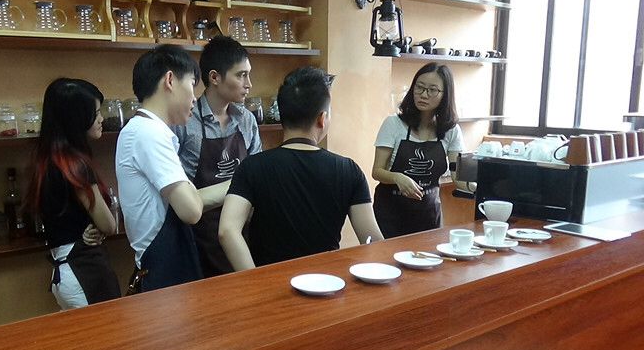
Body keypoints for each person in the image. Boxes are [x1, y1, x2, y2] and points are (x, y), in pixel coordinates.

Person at [218, 67, 383, 271]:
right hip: (327, 282)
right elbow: (371, 239)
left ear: (282, 116)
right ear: (322, 118)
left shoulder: (252, 167)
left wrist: (254, 280)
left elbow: (227, 230)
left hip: (270, 283)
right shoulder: (349, 170)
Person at [116, 45, 229, 292]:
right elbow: (191, 210)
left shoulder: (146, 131)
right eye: (192, 84)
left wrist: (241, 181)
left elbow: (192, 198)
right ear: (170, 80)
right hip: (163, 277)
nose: (194, 98)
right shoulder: (148, 133)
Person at [27, 78, 121, 309]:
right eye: (95, 113)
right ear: (76, 119)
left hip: (65, 271)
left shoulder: (48, 160)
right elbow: (109, 225)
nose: (101, 119)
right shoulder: (75, 165)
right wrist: (99, 226)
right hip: (82, 270)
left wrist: (92, 227)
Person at [173, 36, 262, 277]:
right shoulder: (185, 122)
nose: (249, 84)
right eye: (241, 75)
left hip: (241, 233)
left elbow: (258, 177)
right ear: (214, 77)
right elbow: (179, 194)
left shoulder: (247, 120)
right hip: (197, 236)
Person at [371, 62, 464, 238]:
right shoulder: (393, 124)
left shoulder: (451, 130)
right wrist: (397, 177)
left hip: (428, 213)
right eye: (419, 87)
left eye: (432, 90)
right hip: (390, 212)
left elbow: (457, 176)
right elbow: (377, 171)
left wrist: (477, 186)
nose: (423, 94)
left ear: (445, 95)